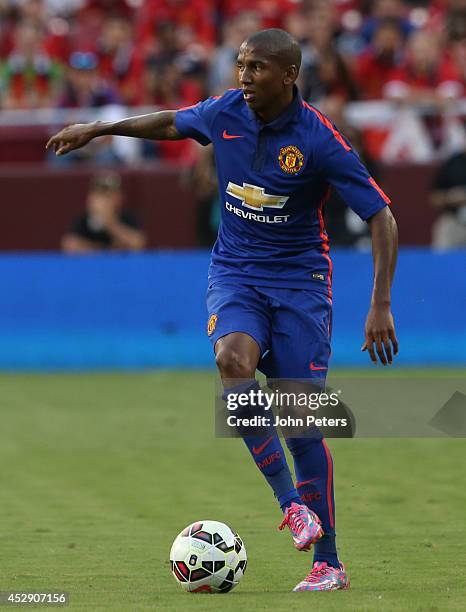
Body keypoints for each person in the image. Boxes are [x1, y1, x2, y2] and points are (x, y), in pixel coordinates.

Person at [47, 28, 399, 592]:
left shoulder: (319, 139)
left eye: (257, 68)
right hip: (236, 274)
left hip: (301, 285)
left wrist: (380, 303)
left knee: (302, 424)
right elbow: (168, 121)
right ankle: (291, 505)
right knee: (232, 361)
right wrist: (100, 127)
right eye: (240, 65)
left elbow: (381, 216)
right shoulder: (225, 110)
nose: (243, 77)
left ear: (289, 76)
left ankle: (328, 563)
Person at [61, 172, 146, 252]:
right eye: (100, 194)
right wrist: (104, 250)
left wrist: (110, 223)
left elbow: (138, 243)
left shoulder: (126, 217)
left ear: (120, 197)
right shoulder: (83, 219)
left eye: (109, 194)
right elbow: (70, 245)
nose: (104, 200)